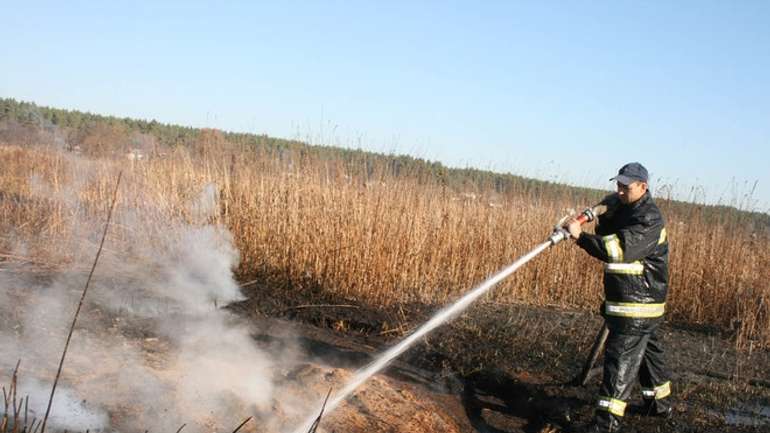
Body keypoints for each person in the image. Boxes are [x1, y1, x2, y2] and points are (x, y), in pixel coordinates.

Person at [566, 162, 672, 433]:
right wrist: (602, 215)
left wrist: (580, 238)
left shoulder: (649, 218)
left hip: (638, 304)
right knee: (648, 351)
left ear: (643, 187)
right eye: (619, 185)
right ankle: (658, 404)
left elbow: (617, 248)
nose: (621, 191)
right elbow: (606, 234)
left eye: (627, 187)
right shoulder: (625, 208)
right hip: (634, 301)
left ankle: (606, 424)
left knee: (619, 360)